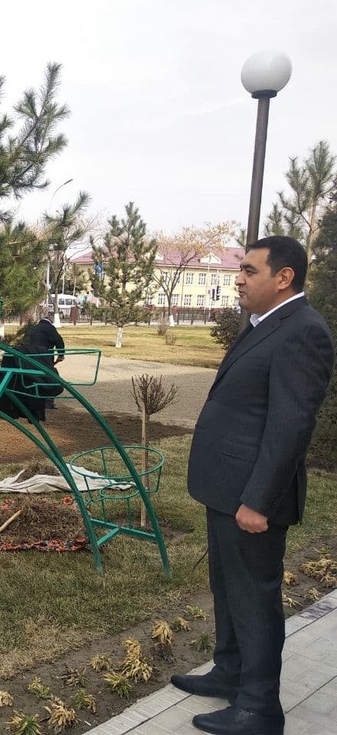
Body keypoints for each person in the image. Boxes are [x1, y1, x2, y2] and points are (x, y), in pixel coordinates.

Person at [170, 236, 334, 735]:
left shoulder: (303, 331)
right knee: (227, 588)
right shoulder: (266, 323)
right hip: (227, 489)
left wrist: (258, 501)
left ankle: (259, 710)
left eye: (248, 270)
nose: (237, 279)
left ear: (284, 278)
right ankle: (231, 671)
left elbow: (290, 424)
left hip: (251, 498)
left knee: (255, 600)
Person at [25, 307, 65, 409]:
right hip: (45, 356)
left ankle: (34, 399)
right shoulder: (50, 328)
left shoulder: (33, 328)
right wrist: (61, 355)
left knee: (35, 377)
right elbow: (59, 341)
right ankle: (48, 401)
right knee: (50, 377)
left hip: (32, 356)